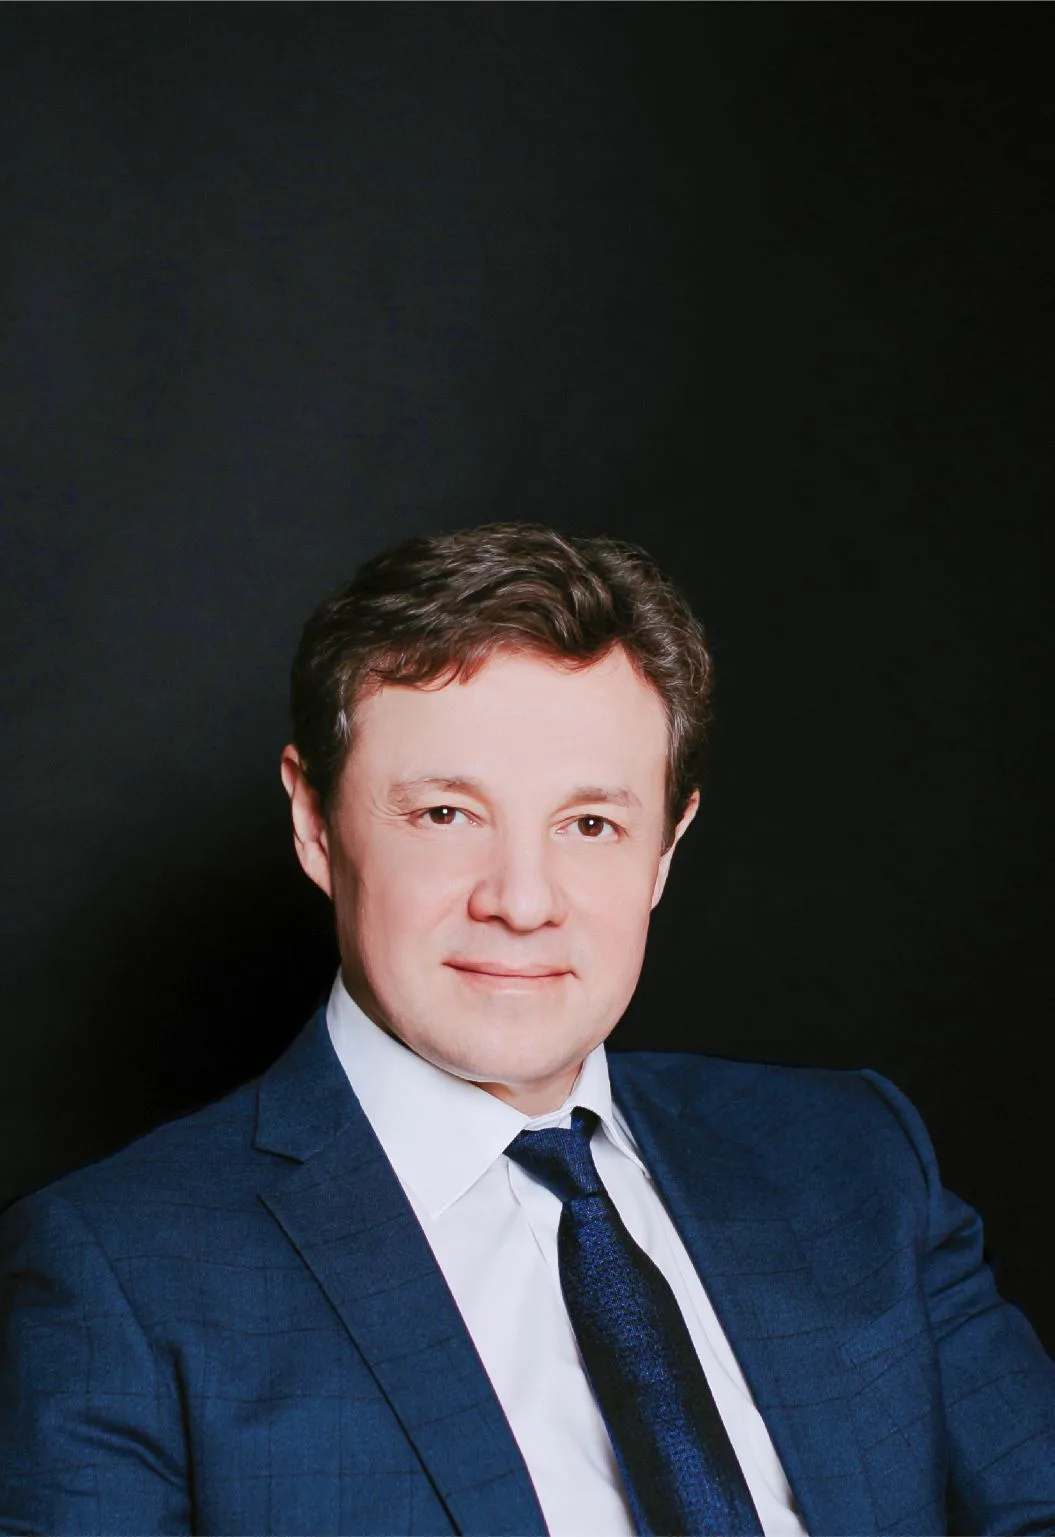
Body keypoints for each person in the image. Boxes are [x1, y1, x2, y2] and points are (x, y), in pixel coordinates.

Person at [1, 523, 1053, 1537]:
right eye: (445, 814)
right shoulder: (119, 1276)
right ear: (315, 822)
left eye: (589, 824)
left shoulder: (853, 1161)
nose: (520, 900)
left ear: (664, 849)